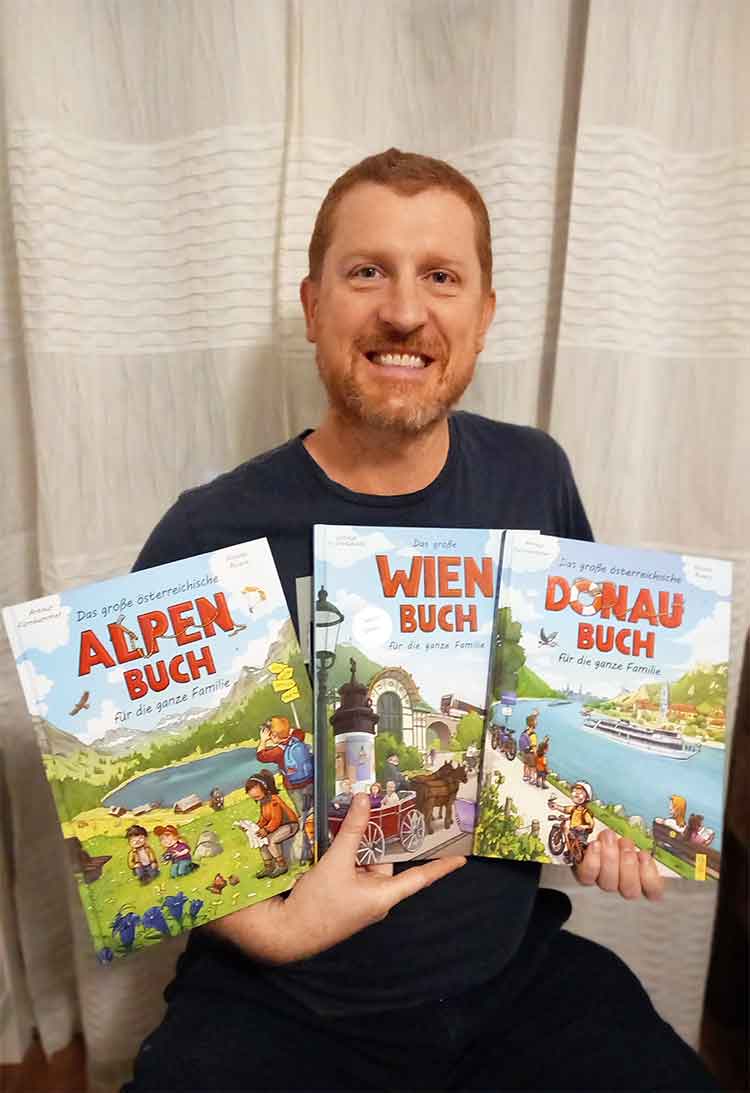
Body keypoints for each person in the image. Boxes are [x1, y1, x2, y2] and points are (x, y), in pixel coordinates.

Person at [125, 149, 716, 1091]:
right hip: (285, 997)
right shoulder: (210, 533)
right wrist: (279, 930)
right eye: (368, 271)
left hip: (513, 978)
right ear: (313, 304)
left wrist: (610, 815)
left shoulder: (534, 474)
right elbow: (143, 830)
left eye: (441, 276)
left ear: (484, 313)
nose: (404, 311)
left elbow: (580, 705)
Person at [256, 715, 314, 863]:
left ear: (274, 735)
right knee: (315, 811)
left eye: (271, 734)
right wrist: (283, 730)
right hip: (310, 781)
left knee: (304, 816)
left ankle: (309, 851)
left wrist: (263, 741)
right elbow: (299, 731)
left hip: (294, 787)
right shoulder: (297, 738)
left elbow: (260, 756)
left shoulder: (278, 752)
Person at [244, 770, 300, 879]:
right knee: (261, 841)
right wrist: (254, 827)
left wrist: (266, 830)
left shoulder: (274, 800)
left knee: (270, 840)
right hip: (277, 827)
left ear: (264, 788)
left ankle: (282, 865)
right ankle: (268, 866)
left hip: (289, 825)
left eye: (256, 795)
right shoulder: (263, 802)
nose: (254, 797)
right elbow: (264, 819)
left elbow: (276, 819)